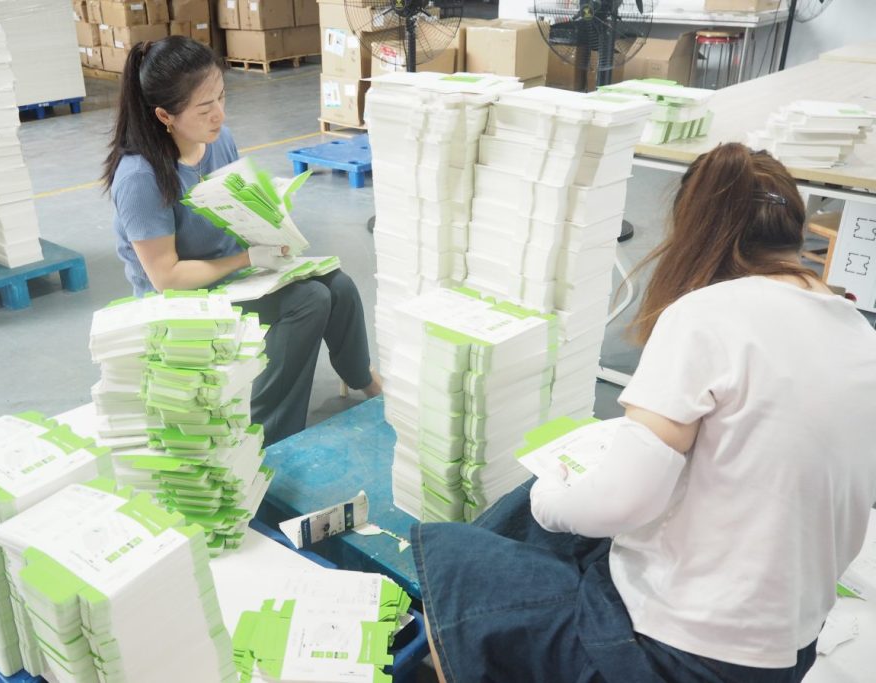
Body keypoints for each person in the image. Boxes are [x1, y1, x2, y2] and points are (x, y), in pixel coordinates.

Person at [411, 143, 876, 682]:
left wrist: (549, 498)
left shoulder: (707, 315)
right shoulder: (860, 334)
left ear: (694, 231)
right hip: (789, 650)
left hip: (682, 656)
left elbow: (620, 500)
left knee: (455, 558)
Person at [103, 37, 380, 445]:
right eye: (204, 108)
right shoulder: (140, 178)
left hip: (231, 274)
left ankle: (364, 381)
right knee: (308, 302)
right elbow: (166, 278)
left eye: (221, 97)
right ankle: (270, 435)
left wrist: (271, 225)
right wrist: (247, 258)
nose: (219, 114)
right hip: (182, 298)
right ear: (165, 115)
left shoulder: (219, 140)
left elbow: (236, 203)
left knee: (336, 284)